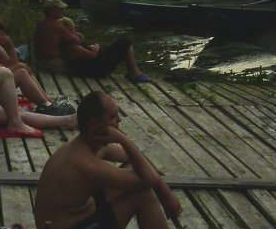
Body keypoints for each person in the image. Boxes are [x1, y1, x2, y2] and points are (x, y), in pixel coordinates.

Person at [33, 91, 180, 229]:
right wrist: (124, 140)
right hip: (67, 225)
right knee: (143, 194)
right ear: (94, 124)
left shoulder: (86, 143)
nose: (119, 120)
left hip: (80, 210)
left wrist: (165, 193)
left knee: (133, 166)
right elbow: (149, 180)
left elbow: (137, 161)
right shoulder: (86, 163)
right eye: (113, 117)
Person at [0, 18, 73, 115]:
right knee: (21, 72)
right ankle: (47, 106)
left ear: (2, 35)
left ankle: (49, 102)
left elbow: (11, 65)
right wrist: (19, 65)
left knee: (21, 70)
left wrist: (10, 47)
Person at [34, 0, 150, 82]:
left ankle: (134, 72)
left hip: (45, 62)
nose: (63, 11)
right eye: (60, 9)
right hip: (57, 65)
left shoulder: (41, 23)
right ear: (52, 11)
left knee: (115, 46)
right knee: (124, 42)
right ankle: (134, 73)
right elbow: (78, 42)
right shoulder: (56, 27)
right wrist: (94, 47)